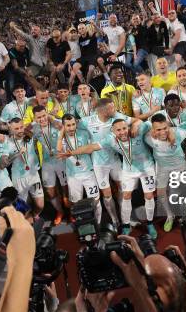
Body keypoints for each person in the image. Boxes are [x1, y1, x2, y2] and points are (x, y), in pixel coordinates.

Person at [61, 118, 156, 238]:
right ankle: (126, 225)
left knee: (149, 196)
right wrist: (72, 153)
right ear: (113, 131)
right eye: (118, 130)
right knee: (126, 196)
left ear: (128, 127)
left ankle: (150, 223)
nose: (122, 132)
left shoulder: (139, 130)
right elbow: (92, 147)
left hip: (147, 168)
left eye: (124, 128)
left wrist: (138, 123)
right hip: (129, 171)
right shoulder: (110, 139)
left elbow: (152, 121)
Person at [77, 98, 129, 226]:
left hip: (115, 161)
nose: (114, 110)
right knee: (107, 194)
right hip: (99, 164)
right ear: (102, 110)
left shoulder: (116, 117)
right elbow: (69, 123)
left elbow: (135, 121)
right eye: (111, 107)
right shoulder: (88, 121)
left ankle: (125, 217)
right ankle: (114, 220)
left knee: (123, 188)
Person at [145, 114, 186, 232]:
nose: (163, 132)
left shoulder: (179, 132)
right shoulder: (148, 137)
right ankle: (170, 216)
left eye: (165, 128)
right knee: (160, 193)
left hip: (179, 165)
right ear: (153, 130)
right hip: (162, 167)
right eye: (158, 129)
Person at [56, 114, 102, 224]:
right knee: (76, 203)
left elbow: (90, 149)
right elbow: (59, 151)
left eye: (73, 124)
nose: (71, 128)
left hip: (88, 173)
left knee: (96, 200)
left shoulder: (84, 134)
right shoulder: (61, 138)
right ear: (63, 126)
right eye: (68, 125)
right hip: (73, 176)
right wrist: (61, 134)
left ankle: (98, 224)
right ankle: (82, 225)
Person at [31, 106, 66, 224]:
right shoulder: (34, 128)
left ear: (47, 114)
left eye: (44, 115)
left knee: (66, 190)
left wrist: (53, 118)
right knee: (50, 191)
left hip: (61, 160)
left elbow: (70, 124)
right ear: (35, 119)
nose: (42, 119)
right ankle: (60, 212)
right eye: (39, 117)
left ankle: (71, 211)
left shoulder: (58, 123)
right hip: (47, 163)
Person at [6, 118, 44, 215]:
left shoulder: (30, 136)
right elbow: (6, 163)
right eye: (16, 128)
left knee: (40, 205)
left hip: (33, 174)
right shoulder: (7, 143)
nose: (20, 130)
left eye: (21, 127)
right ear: (11, 129)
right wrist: (18, 154)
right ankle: (27, 223)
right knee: (22, 208)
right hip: (18, 178)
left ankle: (35, 216)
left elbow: (39, 121)